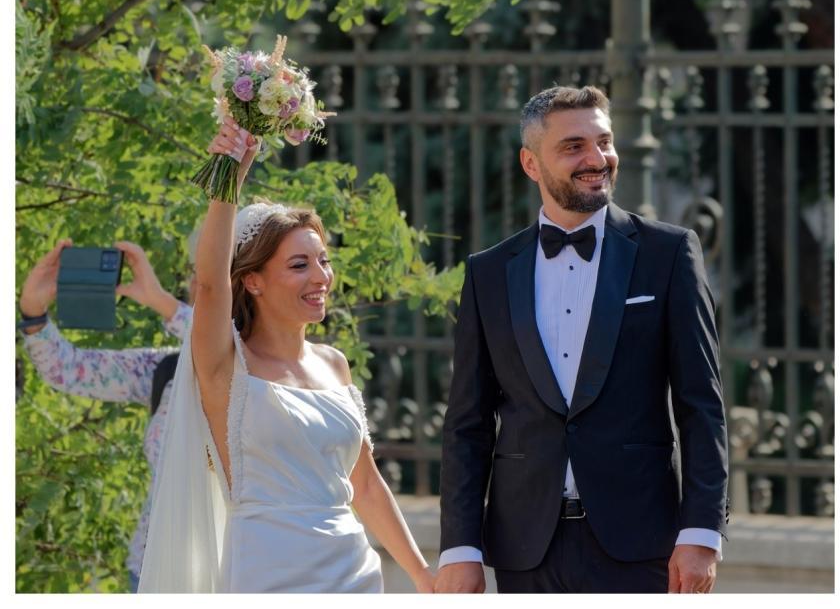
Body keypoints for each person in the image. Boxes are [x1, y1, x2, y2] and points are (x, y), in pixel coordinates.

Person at [435, 85, 729, 594]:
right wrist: (460, 547)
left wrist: (701, 532)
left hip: (642, 543)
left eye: (604, 142)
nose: (597, 159)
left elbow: (701, 405)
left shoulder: (669, 253)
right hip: (524, 548)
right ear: (531, 164)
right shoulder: (488, 273)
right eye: (573, 146)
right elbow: (468, 422)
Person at [139, 117, 434, 593]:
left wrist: (424, 577)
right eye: (299, 265)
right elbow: (212, 282)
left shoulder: (334, 363)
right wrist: (230, 175)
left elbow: (366, 485)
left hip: (353, 573)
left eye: (323, 260)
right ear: (252, 280)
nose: (321, 276)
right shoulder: (225, 367)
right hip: (268, 574)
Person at [18, 239, 193, 592]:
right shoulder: (172, 368)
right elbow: (70, 369)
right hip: (154, 572)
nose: (197, 287)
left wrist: (166, 305)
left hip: (244, 575)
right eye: (197, 276)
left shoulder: (288, 374)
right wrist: (34, 313)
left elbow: (237, 354)